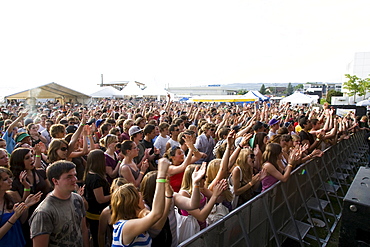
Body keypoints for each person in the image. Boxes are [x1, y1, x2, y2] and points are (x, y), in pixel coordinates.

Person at [110, 158, 170, 247]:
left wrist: (168, 197)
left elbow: (157, 225)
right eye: (140, 199)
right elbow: (156, 214)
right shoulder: (125, 227)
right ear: (132, 203)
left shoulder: (138, 217)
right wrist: (161, 175)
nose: (141, 194)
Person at [29, 160, 89, 247]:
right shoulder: (44, 212)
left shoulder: (77, 199)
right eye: (69, 177)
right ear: (55, 181)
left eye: (74, 175)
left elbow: (83, 230)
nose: (74, 179)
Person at [0, 167, 42, 247]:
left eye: (10, 178)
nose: (10, 181)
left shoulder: (10, 197)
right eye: (5, 179)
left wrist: (26, 206)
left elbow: (21, 221)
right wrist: (14, 216)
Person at [84, 149, 111, 247]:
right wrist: (115, 194)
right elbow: (101, 199)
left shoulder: (91, 174)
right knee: (98, 236)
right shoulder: (96, 178)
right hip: (96, 213)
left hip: (96, 212)